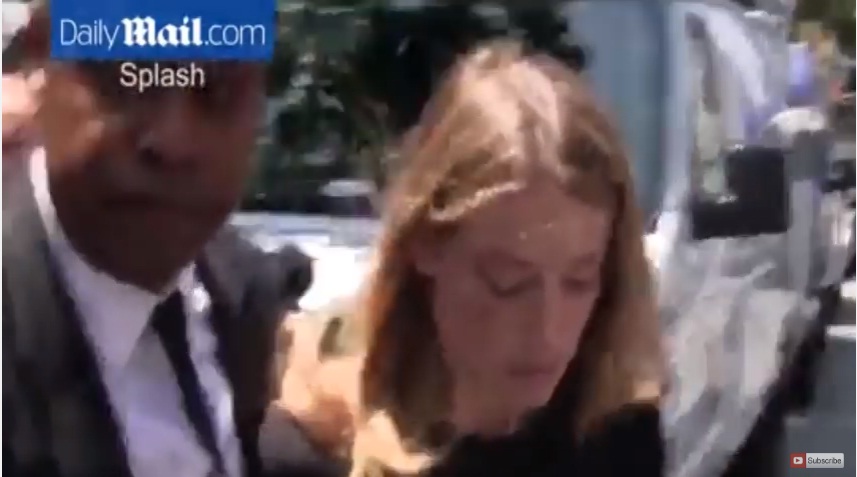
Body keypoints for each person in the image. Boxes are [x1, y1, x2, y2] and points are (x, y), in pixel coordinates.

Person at [273, 40, 666, 477]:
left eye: (579, 280)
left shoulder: (616, 433)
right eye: (508, 283)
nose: (547, 330)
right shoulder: (318, 445)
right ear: (425, 243)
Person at [2, 4, 330, 477]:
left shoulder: (265, 330)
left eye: (215, 89)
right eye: (128, 76)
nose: (174, 140)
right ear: (40, 56)